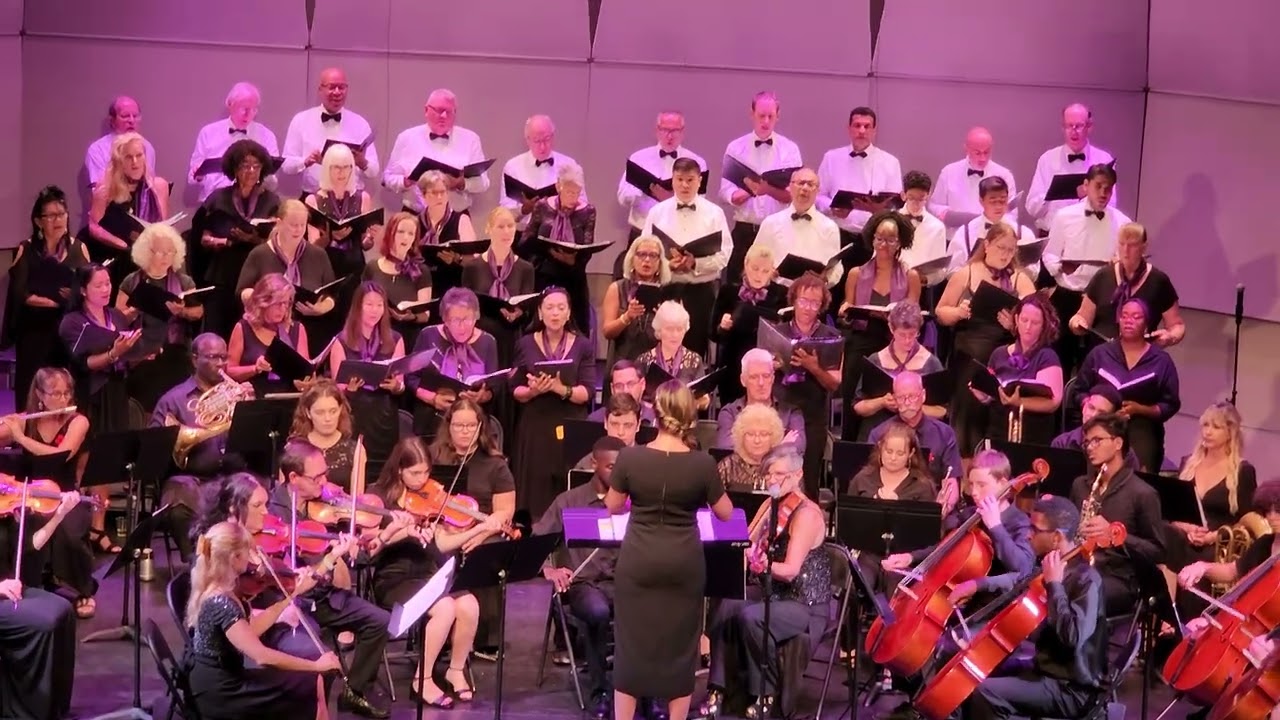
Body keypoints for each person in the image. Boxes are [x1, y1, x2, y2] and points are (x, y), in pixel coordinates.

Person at [606, 380, 735, 720]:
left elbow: (613, 506)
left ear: (655, 413)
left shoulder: (630, 457)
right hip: (684, 564)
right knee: (681, 647)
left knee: (631, 645)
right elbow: (724, 513)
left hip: (639, 561)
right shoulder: (703, 464)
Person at [369, 437, 504, 707]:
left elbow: (440, 544)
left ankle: (455, 670)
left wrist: (478, 528)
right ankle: (423, 680)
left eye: (426, 472)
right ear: (399, 470)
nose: (422, 480)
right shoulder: (378, 496)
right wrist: (401, 530)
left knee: (469, 604)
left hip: (428, 572)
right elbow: (370, 547)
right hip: (394, 577)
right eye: (415, 473)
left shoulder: (429, 500)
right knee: (445, 609)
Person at [702, 443, 831, 720]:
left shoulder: (806, 514)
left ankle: (766, 693)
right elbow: (747, 541)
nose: (772, 480)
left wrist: (763, 565)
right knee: (728, 605)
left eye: (779, 475)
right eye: (769, 475)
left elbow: (791, 570)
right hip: (774, 592)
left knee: (752, 618)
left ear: (797, 475)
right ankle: (719, 689)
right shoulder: (771, 504)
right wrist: (744, 549)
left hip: (804, 602)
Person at [266, 439, 392, 718]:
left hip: (323, 595)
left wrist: (370, 540)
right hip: (293, 603)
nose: (325, 483)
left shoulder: (320, 505)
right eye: (317, 477)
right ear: (293, 477)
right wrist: (333, 553)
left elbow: (356, 559)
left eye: (325, 474)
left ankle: (355, 690)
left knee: (380, 621)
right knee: (324, 660)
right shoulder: (272, 513)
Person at [962, 495, 1107, 720]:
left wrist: (1056, 586)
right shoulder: (1049, 566)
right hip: (1044, 670)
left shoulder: (1086, 580)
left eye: (1035, 529)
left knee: (986, 692)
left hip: (1070, 688)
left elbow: (1073, 636)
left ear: (1057, 537)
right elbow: (1019, 581)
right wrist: (978, 584)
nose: (1028, 534)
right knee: (974, 674)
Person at [184, 521, 340, 720]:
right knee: (309, 683)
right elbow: (261, 656)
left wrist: (290, 596)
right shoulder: (220, 602)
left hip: (228, 677)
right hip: (222, 691)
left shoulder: (226, 588)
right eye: (248, 552)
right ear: (234, 558)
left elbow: (252, 629)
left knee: (313, 683)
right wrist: (316, 665)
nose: (253, 559)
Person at [535, 435, 627, 719]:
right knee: (597, 612)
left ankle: (645, 692)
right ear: (594, 463)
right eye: (611, 467)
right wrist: (550, 570)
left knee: (645, 610)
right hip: (583, 584)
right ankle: (600, 690)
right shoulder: (569, 500)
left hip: (623, 583)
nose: (618, 473)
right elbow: (537, 541)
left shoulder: (632, 503)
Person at [935, 222, 1036, 462]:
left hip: (1003, 355)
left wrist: (1015, 325)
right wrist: (958, 312)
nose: (1005, 254)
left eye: (1011, 250)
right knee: (968, 420)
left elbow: (1037, 319)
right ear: (987, 244)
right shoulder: (967, 272)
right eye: (1001, 247)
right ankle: (965, 477)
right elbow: (940, 312)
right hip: (969, 353)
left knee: (996, 418)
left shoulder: (1020, 278)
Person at [58, 263, 143, 551]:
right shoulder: (72, 322)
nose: (106, 289)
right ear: (83, 289)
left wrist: (137, 353)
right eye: (99, 285)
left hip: (115, 391)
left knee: (105, 462)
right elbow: (84, 364)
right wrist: (113, 353)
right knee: (84, 460)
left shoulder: (116, 316)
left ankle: (98, 528)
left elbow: (125, 356)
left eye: (108, 284)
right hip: (88, 394)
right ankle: (74, 528)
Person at [0, 367, 95, 618]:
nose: (63, 399)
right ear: (40, 395)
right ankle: (24, 586)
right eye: (55, 394)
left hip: (65, 495)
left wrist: (19, 437)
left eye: (67, 393)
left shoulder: (78, 421)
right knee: (16, 531)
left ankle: (81, 589)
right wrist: (8, 426)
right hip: (28, 495)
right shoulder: (26, 420)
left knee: (69, 534)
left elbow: (61, 454)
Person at [885, 450, 1036, 607]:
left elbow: (1024, 569)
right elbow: (946, 547)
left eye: (982, 485)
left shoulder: (1019, 522)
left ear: (1003, 483)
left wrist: (995, 526)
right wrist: (911, 557)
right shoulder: (970, 514)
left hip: (989, 605)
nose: (974, 493)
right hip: (956, 598)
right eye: (971, 485)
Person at [427, 399, 517, 660]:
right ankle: (441, 630)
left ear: (480, 427)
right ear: (449, 426)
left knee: (488, 553)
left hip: (483, 529)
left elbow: (504, 511)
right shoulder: (433, 457)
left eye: (470, 425)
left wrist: (480, 533)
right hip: (442, 528)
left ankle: (485, 638)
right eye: (458, 425)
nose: (464, 431)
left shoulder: (495, 464)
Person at [151, 334, 248, 562]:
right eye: (213, 357)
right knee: (177, 503)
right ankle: (196, 564)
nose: (221, 363)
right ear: (195, 360)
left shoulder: (235, 393)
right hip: (188, 477)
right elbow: (155, 450)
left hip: (230, 475)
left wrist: (248, 412)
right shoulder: (172, 401)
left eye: (224, 357)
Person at [1071, 412, 1166, 615]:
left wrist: (1116, 536)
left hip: (1119, 579)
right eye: (1087, 442)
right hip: (1080, 568)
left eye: (1097, 440)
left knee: (1082, 595)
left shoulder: (1143, 493)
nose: (1089, 447)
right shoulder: (1080, 485)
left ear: (1118, 443)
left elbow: (1158, 551)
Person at [838, 210, 922, 440]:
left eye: (891, 239)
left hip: (893, 344)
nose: (884, 244)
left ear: (900, 242)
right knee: (852, 401)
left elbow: (913, 317)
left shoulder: (910, 276)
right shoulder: (856, 273)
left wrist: (896, 317)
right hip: (860, 342)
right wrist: (844, 311)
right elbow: (847, 312)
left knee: (889, 404)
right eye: (879, 238)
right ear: (871, 239)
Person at [512, 288, 596, 517]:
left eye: (561, 308)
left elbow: (587, 392)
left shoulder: (583, 346)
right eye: (549, 308)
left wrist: (561, 389)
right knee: (535, 491)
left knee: (569, 486)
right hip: (536, 424)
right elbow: (516, 391)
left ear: (569, 313)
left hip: (570, 423)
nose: (555, 313)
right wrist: (533, 391)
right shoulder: (525, 344)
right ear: (539, 313)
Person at [1167, 402, 1257, 615]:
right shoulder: (1188, 463)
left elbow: (1247, 521)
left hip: (1218, 545)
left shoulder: (1243, 471)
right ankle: (1168, 615)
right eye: (1205, 425)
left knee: (1200, 560)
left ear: (1230, 432)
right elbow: (1172, 512)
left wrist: (1211, 537)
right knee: (1167, 537)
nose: (1207, 432)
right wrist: (1187, 528)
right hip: (1184, 538)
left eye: (1215, 427)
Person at [1071, 297, 1181, 471]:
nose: (1129, 321)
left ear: (1147, 324)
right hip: (1100, 424)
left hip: (1141, 427)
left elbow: (1170, 404)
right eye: (1125, 316)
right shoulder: (1100, 354)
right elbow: (1079, 391)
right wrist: (1091, 406)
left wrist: (1140, 409)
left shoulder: (1161, 361)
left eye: (1136, 317)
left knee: (1139, 457)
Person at [1042, 162, 1130, 375]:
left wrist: (1119, 266)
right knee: (1058, 360)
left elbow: (1127, 263)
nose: (1103, 193)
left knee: (1097, 362)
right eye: (1098, 186)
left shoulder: (1122, 222)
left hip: (1104, 302)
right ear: (1086, 185)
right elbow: (1050, 253)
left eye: (1108, 188)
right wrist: (1062, 269)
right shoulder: (1064, 216)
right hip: (1068, 296)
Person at [0, 489, 80, 720]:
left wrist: (60, 514)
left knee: (63, 610)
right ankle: (27, 711)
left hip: (10, 589)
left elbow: (29, 545)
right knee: (45, 623)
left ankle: (56, 708)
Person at [5, 186, 89, 402]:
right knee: (31, 395)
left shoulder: (79, 248)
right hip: (35, 334)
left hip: (67, 335)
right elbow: (19, 293)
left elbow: (87, 290)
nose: (58, 220)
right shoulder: (26, 249)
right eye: (50, 215)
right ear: (38, 221)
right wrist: (55, 302)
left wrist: (71, 298)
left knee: (65, 395)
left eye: (61, 214)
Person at [194, 138, 283, 338]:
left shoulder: (271, 200)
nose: (251, 171)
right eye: (245, 166)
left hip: (255, 275)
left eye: (256, 166)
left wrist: (252, 240)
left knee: (248, 334)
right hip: (222, 272)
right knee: (217, 332)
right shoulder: (218, 198)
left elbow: (277, 242)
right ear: (234, 169)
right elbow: (203, 237)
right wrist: (226, 242)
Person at [644, 157, 732, 356]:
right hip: (666, 289)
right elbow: (645, 253)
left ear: (699, 181)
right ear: (672, 180)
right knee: (661, 347)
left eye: (690, 179)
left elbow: (725, 254)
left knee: (696, 349)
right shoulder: (657, 212)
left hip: (700, 291)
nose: (684, 185)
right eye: (679, 179)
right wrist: (667, 265)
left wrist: (695, 263)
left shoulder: (714, 213)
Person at [116, 221, 204, 409]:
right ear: (147, 252)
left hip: (175, 356)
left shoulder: (184, 281)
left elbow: (198, 312)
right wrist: (133, 311)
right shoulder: (131, 281)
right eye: (160, 252)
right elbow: (117, 318)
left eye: (170, 252)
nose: (166, 257)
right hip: (141, 357)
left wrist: (182, 311)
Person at [770, 272, 843, 492]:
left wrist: (813, 367)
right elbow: (758, 371)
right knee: (774, 473)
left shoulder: (831, 336)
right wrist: (771, 365)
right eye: (803, 301)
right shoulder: (776, 332)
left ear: (821, 305)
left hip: (813, 417)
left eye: (814, 303)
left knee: (808, 480)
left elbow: (834, 384)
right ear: (794, 300)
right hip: (779, 412)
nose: (808, 307)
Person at [719, 92, 801, 283]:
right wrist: (747, 191)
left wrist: (767, 190)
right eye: (761, 115)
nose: (765, 121)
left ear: (777, 116)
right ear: (752, 114)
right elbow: (725, 191)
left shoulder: (790, 149)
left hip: (777, 230)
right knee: (735, 285)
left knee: (774, 286)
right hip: (745, 228)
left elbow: (793, 196)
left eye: (770, 116)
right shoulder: (735, 147)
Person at [327, 282, 406, 479]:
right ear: (358, 306)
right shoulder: (341, 340)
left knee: (384, 470)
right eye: (369, 304)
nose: (375, 310)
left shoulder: (395, 339)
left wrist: (396, 386)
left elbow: (401, 383)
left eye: (379, 305)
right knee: (356, 467)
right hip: (355, 412)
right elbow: (338, 387)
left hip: (384, 413)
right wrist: (350, 389)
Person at [615, 111, 708, 276]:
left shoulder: (696, 162)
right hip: (642, 232)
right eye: (665, 130)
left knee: (673, 287)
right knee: (637, 285)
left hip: (677, 237)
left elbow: (701, 202)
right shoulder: (639, 158)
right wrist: (645, 190)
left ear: (683, 132)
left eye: (675, 130)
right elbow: (623, 197)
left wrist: (672, 197)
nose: (669, 135)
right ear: (656, 130)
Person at [236, 199, 337, 347]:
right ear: (279, 222)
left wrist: (321, 309)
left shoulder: (318, 254)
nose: (298, 230)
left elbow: (331, 294)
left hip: (310, 331)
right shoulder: (260, 254)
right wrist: (266, 301)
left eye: (303, 225)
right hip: (266, 333)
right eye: (293, 225)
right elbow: (242, 291)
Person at [1070, 221, 1185, 347]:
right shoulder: (1103, 276)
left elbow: (1176, 325)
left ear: (1144, 246)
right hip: (1102, 354)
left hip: (1141, 356)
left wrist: (1170, 337)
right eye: (1122, 244)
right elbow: (1082, 316)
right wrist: (1076, 323)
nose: (1126, 250)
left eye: (1132, 245)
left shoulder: (1158, 281)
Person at [969, 293, 1063, 446]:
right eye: (1024, 320)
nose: (1028, 327)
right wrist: (983, 395)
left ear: (1044, 326)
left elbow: (1053, 402)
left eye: (1035, 323)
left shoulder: (1047, 357)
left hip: (1032, 435)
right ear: (1016, 319)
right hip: (998, 431)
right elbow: (993, 394)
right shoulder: (999, 354)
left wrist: (1019, 402)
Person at [306, 143, 377, 343]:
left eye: (347, 167)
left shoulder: (362, 197)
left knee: (350, 319)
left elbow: (364, 244)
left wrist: (369, 238)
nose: (342, 172)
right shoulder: (313, 200)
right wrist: (329, 237)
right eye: (337, 167)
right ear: (327, 168)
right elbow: (312, 246)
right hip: (325, 267)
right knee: (325, 322)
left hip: (353, 266)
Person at [407, 287, 500, 437]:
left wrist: (481, 397)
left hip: (472, 425)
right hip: (432, 422)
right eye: (456, 320)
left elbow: (494, 388)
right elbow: (411, 379)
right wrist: (433, 399)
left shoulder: (488, 341)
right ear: (445, 319)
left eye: (468, 320)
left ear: (476, 317)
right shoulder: (428, 335)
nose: (462, 327)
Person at [518, 162, 597, 336]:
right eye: (569, 192)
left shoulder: (588, 211)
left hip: (573, 277)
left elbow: (587, 247)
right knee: (537, 328)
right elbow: (525, 241)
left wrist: (572, 260)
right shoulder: (542, 207)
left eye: (577, 192)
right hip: (543, 274)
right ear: (558, 187)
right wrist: (546, 249)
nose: (573, 197)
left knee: (576, 331)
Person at [85, 131, 170, 293]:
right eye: (129, 157)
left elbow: (163, 225)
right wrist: (123, 245)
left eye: (139, 155)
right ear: (119, 161)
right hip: (114, 256)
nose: (135, 162)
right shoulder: (104, 190)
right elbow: (93, 227)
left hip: (147, 257)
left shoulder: (159, 186)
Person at [868, 371, 962, 513]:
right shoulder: (879, 434)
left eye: (912, 397)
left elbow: (951, 481)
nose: (906, 403)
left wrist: (944, 507)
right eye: (900, 397)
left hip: (932, 505)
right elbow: (870, 478)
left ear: (923, 395)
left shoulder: (944, 433)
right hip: (891, 504)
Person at [816, 106, 903, 261]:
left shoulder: (890, 162)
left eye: (867, 126)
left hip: (873, 237)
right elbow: (818, 195)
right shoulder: (831, 157)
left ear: (874, 130)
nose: (862, 131)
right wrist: (832, 207)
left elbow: (895, 206)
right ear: (849, 128)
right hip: (837, 233)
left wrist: (876, 209)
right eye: (857, 125)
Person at [384, 88, 490, 214]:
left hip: (455, 216)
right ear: (426, 110)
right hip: (415, 216)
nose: (444, 116)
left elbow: (484, 183)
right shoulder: (406, 138)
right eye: (439, 110)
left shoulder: (471, 139)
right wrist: (406, 182)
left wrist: (460, 183)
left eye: (449, 112)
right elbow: (387, 178)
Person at [850, 301, 945, 439]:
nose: (907, 340)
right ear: (891, 328)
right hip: (879, 433)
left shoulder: (931, 363)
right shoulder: (876, 360)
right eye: (902, 334)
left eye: (913, 334)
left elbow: (941, 411)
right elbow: (859, 407)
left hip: (918, 436)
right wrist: (882, 402)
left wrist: (913, 407)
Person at [709, 244, 788, 404]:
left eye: (765, 271)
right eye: (755, 268)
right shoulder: (728, 291)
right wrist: (722, 327)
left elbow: (785, 334)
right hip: (733, 367)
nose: (759, 275)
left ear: (772, 271)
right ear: (746, 264)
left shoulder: (780, 294)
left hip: (765, 371)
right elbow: (713, 334)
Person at [281, 68, 380, 195]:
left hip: (352, 197)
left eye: (342, 87)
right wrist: (305, 161)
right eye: (332, 87)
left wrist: (362, 162)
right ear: (320, 90)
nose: (337, 92)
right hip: (313, 197)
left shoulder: (360, 123)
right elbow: (286, 165)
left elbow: (374, 171)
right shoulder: (301, 120)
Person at [1025, 103, 1117, 236]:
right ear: (1063, 127)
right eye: (1069, 126)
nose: (1074, 131)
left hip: (1089, 235)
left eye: (1079, 126)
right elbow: (1032, 208)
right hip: (1051, 235)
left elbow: (1111, 204)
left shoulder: (1104, 159)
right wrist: (1054, 193)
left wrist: (1091, 193)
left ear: (1089, 127)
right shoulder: (1047, 159)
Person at [188, 82, 281, 202]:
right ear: (230, 105)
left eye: (253, 109)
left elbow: (273, 182)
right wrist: (199, 175)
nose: (248, 114)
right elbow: (192, 177)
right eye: (244, 108)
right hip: (215, 201)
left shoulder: (266, 136)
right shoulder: (208, 133)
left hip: (253, 201)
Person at [754, 168, 844, 289]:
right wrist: (766, 272)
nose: (805, 188)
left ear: (817, 190)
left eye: (811, 184)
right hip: (775, 290)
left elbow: (836, 268)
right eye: (801, 183)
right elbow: (754, 257)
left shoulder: (829, 227)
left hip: (812, 293)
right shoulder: (771, 223)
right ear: (790, 187)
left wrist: (825, 278)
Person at [226, 273, 312, 396]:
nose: (283, 309)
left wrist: (304, 382)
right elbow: (229, 371)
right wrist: (255, 368)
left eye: (286, 303)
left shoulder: (297, 329)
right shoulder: (244, 327)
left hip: (289, 398)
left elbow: (306, 374)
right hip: (254, 400)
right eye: (278, 304)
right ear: (263, 303)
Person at [499, 115, 586, 227]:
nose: (543, 146)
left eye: (547, 139)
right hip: (524, 234)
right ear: (528, 140)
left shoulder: (570, 165)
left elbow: (584, 205)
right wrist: (524, 209)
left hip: (560, 233)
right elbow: (504, 213)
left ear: (553, 136)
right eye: (537, 141)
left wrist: (564, 204)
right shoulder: (512, 167)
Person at [364, 211, 432, 351]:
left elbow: (425, 315)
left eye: (411, 233)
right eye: (401, 232)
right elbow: (361, 304)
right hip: (377, 336)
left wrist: (411, 316)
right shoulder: (372, 267)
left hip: (409, 336)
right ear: (391, 234)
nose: (406, 237)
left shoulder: (421, 271)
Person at [714, 348, 805, 454]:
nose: (761, 383)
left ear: (772, 378)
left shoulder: (791, 414)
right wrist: (779, 448)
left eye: (766, 376)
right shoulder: (729, 413)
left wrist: (747, 449)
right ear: (743, 380)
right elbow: (727, 451)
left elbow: (797, 449)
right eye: (754, 377)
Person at [929, 127, 1018, 229]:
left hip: (991, 239)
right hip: (955, 237)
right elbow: (934, 206)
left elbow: (1012, 215)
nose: (982, 158)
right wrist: (953, 217)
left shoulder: (1004, 175)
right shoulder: (948, 172)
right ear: (966, 149)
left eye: (986, 152)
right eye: (977, 153)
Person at [602, 234, 672, 364]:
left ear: (660, 262)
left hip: (656, 364)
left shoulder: (668, 293)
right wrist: (627, 317)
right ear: (632, 259)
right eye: (641, 254)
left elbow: (677, 337)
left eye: (653, 255)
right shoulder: (617, 288)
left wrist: (664, 323)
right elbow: (607, 332)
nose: (647, 260)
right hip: (623, 364)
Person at [413, 170, 477, 297]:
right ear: (423, 195)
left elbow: (473, 262)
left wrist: (457, 258)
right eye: (434, 193)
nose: (439, 197)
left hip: (453, 285)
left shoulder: (461, 220)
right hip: (422, 286)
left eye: (443, 192)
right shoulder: (415, 222)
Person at [287, 379, 358, 493]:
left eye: (333, 411)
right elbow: (285, 497)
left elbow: (357, 500)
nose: (328, 419)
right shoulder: (294, 448)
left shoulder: (355, 450)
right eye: (320, 412)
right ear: (308, 413)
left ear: (340, 409)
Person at [634, 302, 708, 406]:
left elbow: (704, 400)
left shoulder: (694, 360)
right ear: (659, 330)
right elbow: (634, 397)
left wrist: (689, 404)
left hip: (683, 418)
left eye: (679, 329)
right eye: (669, 329)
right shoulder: (644, 361)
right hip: (652, 419)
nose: (675, 334)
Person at [1051, 385, 1140, 470]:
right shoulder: (1062, 443)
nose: (1093, 415)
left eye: (1101, 413)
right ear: (1084, 407)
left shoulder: (1123, 452)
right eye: (1091, 408)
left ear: (1111, 418)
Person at [846, 422, 937, 503]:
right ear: (880, 447)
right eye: (889, 451)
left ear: (911, 453)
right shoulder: (862, 479)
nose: (893, 458)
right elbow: (847, 516)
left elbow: (925, 521)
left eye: (900, 453)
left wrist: (897, 507)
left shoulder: (922, 486)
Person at [84, 96, 157, 188]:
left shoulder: (147, 147)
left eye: (135, 116)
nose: (131, 120)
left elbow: (149, 185)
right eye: (125, 116)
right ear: (112, 121)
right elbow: (99, 189)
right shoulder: (98, 150)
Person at [718, 404, 786, 493]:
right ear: (741, 436)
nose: (757, 440)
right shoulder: (727, 467)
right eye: (750, 434)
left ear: (774, 436)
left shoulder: (786, 468)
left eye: (764, 434)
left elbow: (799, 502)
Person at [587, 361, 656, 425]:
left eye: (630, 384)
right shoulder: (595, 421)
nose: (625, 391)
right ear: (612, 389)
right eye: (619, 386)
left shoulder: (656, 419)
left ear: (642, 384)